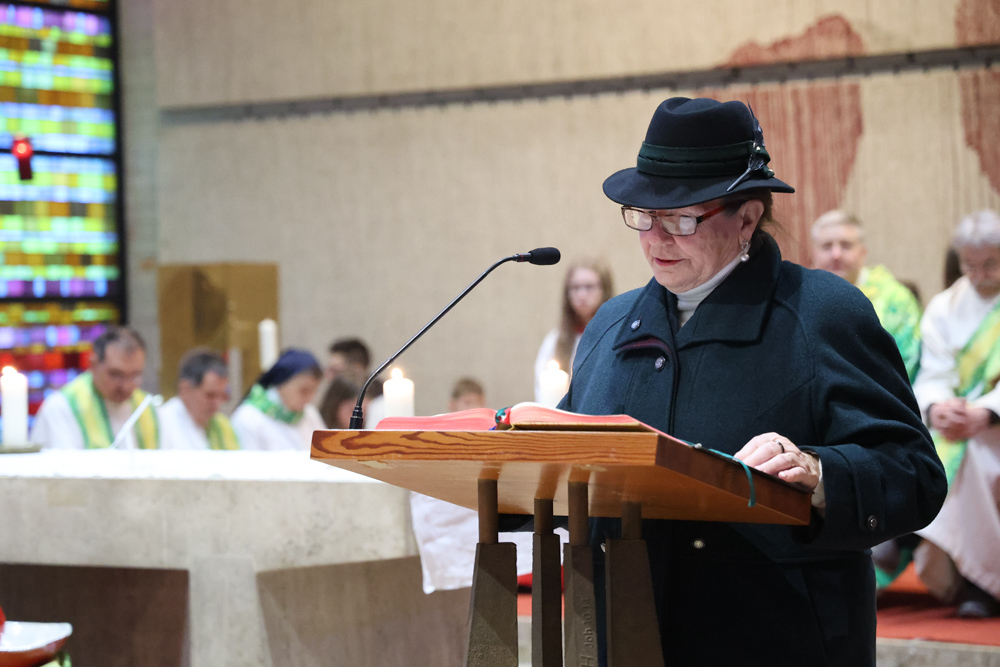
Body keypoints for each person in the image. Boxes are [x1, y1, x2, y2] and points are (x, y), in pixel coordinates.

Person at [560, 97, 946, 665]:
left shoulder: (821, 313)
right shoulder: (611, 325)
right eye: (643, 216)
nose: (655, 239)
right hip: (621, 633)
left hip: (772, 634)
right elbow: (564, 462)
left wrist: (820, 473)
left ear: (746, 217)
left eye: (681, 219)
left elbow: (913, 473)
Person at [911, 210, 1000, 618]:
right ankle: (969, 579)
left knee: (976, 456)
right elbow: (931, 374)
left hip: (992, 424)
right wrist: (939, 407)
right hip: (959, 425)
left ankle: (982, 581)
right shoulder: (945, 307)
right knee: (929, 450)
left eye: (990, 264)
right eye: (970, 265)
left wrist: (988, 413)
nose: (979, 275)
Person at [810, 210, 923, 382]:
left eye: (846, 245)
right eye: (827, 246)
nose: (836, 254)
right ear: (813, 254)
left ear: (863, 252)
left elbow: (907, 362)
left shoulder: (896, 299)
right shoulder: (801, 297)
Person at [31, 326, 159, 449]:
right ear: (93, 364)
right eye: (116, 374)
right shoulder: (61, 408)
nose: (126, 386)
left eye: (135, 375)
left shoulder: (148, 408)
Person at [533, 258, 613, 402]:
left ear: (604, 290)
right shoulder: (555, 340)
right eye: (575, 288)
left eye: (589, 287)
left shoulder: (616, 335)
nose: (582, 295)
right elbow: (542, 389)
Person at [231, 348, 325, 450]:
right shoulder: (248, 418)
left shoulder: (309, 413)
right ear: (281, 383)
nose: (310, 398)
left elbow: (326, 452)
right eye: (304, 391)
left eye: (314, 391)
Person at [158, 349, 240, 450]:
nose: (217, 404)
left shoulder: (222, 426)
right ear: (185, 389)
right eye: (210, 396)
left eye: (221, 396)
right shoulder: (162, 424)